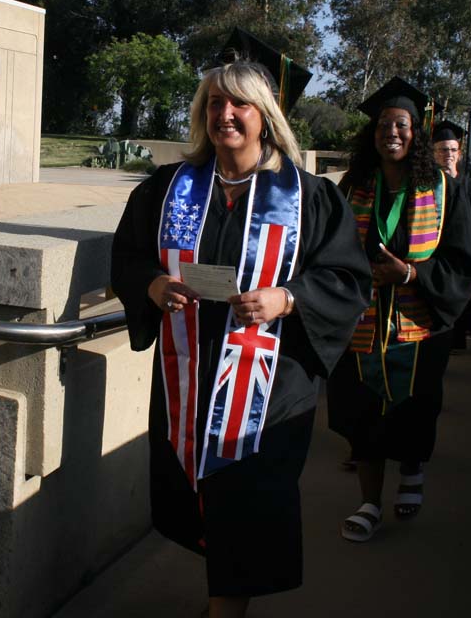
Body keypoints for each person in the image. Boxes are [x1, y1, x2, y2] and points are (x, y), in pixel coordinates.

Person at [111, 40, 371, 617]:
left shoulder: (309, 199)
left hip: (271, 386)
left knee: (250, 499)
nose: (224, 115)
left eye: (240, 105)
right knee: (207, 501)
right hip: (190, 376)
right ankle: (223, 597)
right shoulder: (167, 189)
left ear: (265, 116)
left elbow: (349, 281)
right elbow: (128, 256)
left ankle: (225, 610)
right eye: (213, 103)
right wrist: (153, 285)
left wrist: (288, 298)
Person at [325, 78, 471, 541]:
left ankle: (412, 471)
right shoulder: (353, 186)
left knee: (413, 414)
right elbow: (329, 249)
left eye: (402, 124)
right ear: (371, 134)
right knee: (364, 417)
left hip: (419, 327)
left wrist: (410, 275)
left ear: (417, 134)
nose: (391, 131)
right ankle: (369, 501)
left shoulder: (444, 191)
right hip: (362, 326)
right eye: (382, 125)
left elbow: (462, 262)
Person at [431, 120, 471, 349]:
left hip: (460, 263)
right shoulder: (427, 185)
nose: (448, 154)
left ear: (459, 153)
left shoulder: (470, 187)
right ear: (434, 153)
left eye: (452, 150)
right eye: (443, 149)